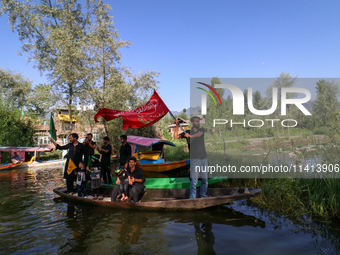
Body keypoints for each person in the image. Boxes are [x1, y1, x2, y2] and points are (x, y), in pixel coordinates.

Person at [176, 116, 208, 199]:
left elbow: (199, 135)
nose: (198, 123)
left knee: (205, 180)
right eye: (196, 121)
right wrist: (176, 125)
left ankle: (202, 196)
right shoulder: (187, 132)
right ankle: (192, 199)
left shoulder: (202, 130)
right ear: (192, 123)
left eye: (199, 121)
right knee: (194, 182)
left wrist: (190, 136)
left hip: (204, 159)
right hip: (195, 160)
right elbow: (176, 136)